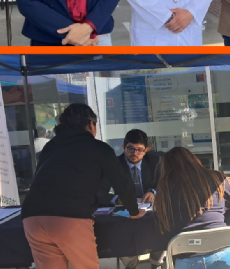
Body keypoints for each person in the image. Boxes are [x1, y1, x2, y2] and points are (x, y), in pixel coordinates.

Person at [21, 103, 145, 269]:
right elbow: (121, 183)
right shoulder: (99, 148)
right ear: (91, 125)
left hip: (32, 217)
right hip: (70, 217)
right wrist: (134, 211)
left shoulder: (50, 147)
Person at [155, 147, 230, 268]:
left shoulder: (163, 189)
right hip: (224, 256)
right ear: (193, 159)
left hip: (186, 260)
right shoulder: (215, 178)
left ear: (166, 167)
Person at [94, 129, 163, 268]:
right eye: (131, 149)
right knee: (118, 234)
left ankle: (156, 262)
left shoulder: (155, 161)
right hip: (126, 214)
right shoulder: (114, 164)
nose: (135, 153)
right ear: (123, 147)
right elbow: (99, 192)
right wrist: (117, 199)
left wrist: (154, 192)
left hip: (150, 209)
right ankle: (131, 262)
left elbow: (166, 184)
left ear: (146, 150)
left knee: (162, 227)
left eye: (140, 150)